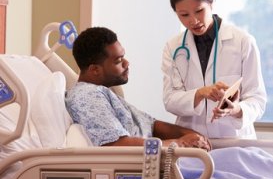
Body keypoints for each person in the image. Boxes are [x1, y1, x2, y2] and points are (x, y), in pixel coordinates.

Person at [65, 26, 211, 151]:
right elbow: (117, 145)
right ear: (95, 69)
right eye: (118, 61)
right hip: (150, 166)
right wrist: (180, 143)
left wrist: (192, 134)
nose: (127, 63)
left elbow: (152, 125)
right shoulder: (87, 96)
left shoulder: (103, 93)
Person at [162, 0, 267, 139]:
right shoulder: (173, 47)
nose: (193, 20)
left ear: (211, 3)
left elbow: (257, 99)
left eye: (199, 11)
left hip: (234, 141)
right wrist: (200, 93)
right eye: (184, 15)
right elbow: (170, 100)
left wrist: (236, 110)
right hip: (193, 142)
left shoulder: (243, 42)